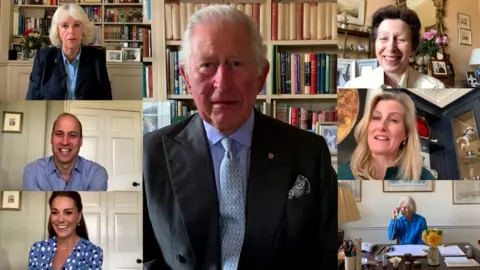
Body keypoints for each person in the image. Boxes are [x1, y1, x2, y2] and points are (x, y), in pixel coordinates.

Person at [142, 5, 337, 270]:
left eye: (236, 64)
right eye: (207, 65)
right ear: (187, 78)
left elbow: (321, 256)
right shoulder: (150, 153)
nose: (222, 82)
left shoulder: (309, 152)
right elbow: (144, 257)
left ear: (261, 76)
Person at [338, 91, 434, 180]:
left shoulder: (425, 177)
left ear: (406, 133)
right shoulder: (342, 174)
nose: (381, 126)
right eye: (376, 117)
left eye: (393, 120)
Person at [343, 5, 445, 89]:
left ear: (413, 46)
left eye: (400, 39)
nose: (391, 47)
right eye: (383, 38)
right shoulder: (353, 88)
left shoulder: (435, 88)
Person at [26, 3, 112, 100]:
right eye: (65, 26)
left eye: (76, 25)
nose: (71, 31)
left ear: (84, 30)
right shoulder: (43, 58)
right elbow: (32, 98)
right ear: (57, 31)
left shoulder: (97, 58)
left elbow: (106, 99)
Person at [23, 113, 108, 191]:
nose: (65, 142)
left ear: (81, 141)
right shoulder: (33, 171)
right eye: (59, 134)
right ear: (51, 138)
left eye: (72, 135)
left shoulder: (97, 173)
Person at [28, 191, 103, 269]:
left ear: (79, 216)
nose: (60, 219)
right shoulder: (38, 249)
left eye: (68, 212)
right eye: (55, 212)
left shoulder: (93, 253)